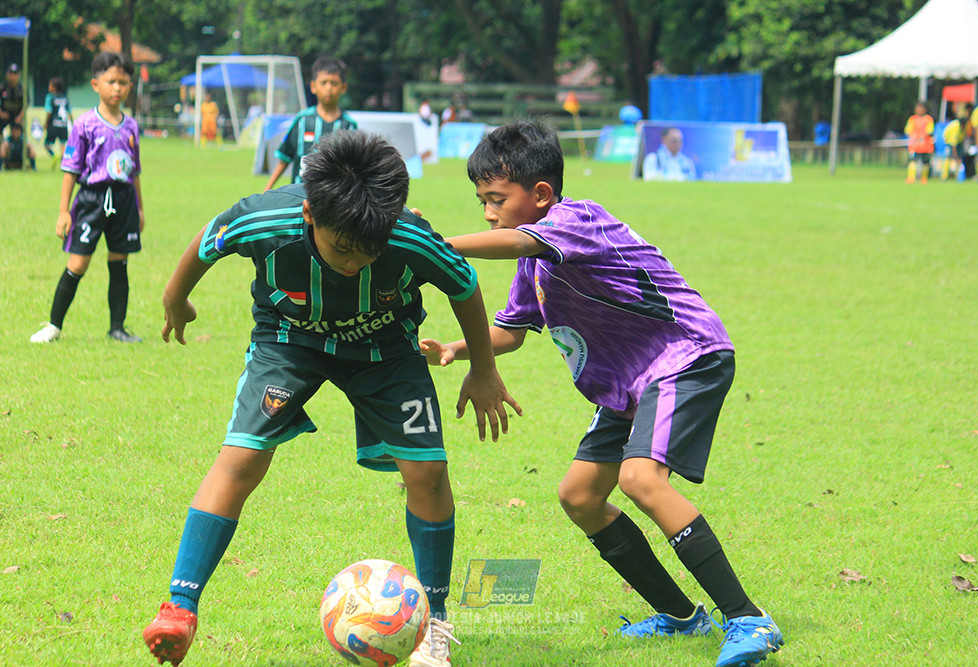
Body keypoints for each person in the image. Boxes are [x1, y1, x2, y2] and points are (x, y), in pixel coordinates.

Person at [141, 130, 521, 667]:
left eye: (369, 251)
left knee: (428, 473)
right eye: (343, 247)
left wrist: (483, 371)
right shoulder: (264, 219)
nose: (354, 263)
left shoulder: (409, 236)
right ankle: (179, 607)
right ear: (310, 213)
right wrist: (175, 298)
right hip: (289, 341)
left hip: (386, 347)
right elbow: (207, 241)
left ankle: (433, 627)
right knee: (242, 457)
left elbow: (464, 285)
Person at [420, 121, 783, 667]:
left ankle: (749, 618)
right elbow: (513, 331)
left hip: (683, 355)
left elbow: (516, 238)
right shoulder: (532, 258)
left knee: (640, 479)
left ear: (540, 195)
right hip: (628, 384)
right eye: (482, 202)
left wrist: (435, 246)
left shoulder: (578, 219)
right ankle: (684, 619)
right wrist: (457, 348)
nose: (489, 213)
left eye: (496, 199)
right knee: (580, 496)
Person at [30, 52, 144, 344]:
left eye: (123, 82)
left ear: (130, 86)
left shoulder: (131, 126)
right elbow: (70, 170)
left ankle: (117, 327)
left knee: (119, 262)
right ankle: (54, 326)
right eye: (111, 81)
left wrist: (140, 208)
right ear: (96, 84)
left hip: (124, 199)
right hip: (92, 200)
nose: (117, 88)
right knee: (78, 264)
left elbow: (135, 171)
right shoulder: (84, 124)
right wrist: (63, 211)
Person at [264, 56, 357, 190]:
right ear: (313, 86)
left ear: (343, 87)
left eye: (334, 83)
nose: (329, 88)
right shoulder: (302, 120)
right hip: (299, 194)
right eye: (324, 82)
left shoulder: (348, 125)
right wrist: (267, 189)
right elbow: (285, 158)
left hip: (332, 197)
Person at [44, 77, 74, 169]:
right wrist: (73, 124)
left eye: (50, 85)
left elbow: (49, 112)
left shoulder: (50, 97)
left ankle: (54, 155)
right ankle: (64, 163)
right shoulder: (65, 98)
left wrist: (46, 123)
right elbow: (69, 112)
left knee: (47, 144)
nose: (49, 87)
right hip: (63, 125)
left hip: (53, 124)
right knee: (63, 144)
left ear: (54, 87)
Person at [904, 101, 934, 184]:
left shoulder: (928, 119)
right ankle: (911, 178)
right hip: (915, 145)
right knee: (912, 161)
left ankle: (924, 178)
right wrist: (913, 137)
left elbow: (930, 131)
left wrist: (923, 136)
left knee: (925, 162)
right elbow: (908, 130)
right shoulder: (912, 119)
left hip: (925, 146)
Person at [941, 103, 971, 181]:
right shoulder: (955, 129)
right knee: (949, 157)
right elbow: (953, 146)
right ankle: (944, 176)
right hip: (949, 141)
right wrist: (956, 157)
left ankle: (958, 176)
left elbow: (965, 136)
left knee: (960, 157)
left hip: (959, 141)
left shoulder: (965, 126)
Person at [0, 63, 25, 137]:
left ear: (18, 75)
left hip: (16, 117)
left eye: (15, 74)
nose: (12, 77)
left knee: (18, 135)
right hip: (5, 116)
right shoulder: (3, 87)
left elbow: (26, 105)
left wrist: (19, 117)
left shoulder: (21, 89)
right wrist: (1, 113)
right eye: (11, 74)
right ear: (7, 75)